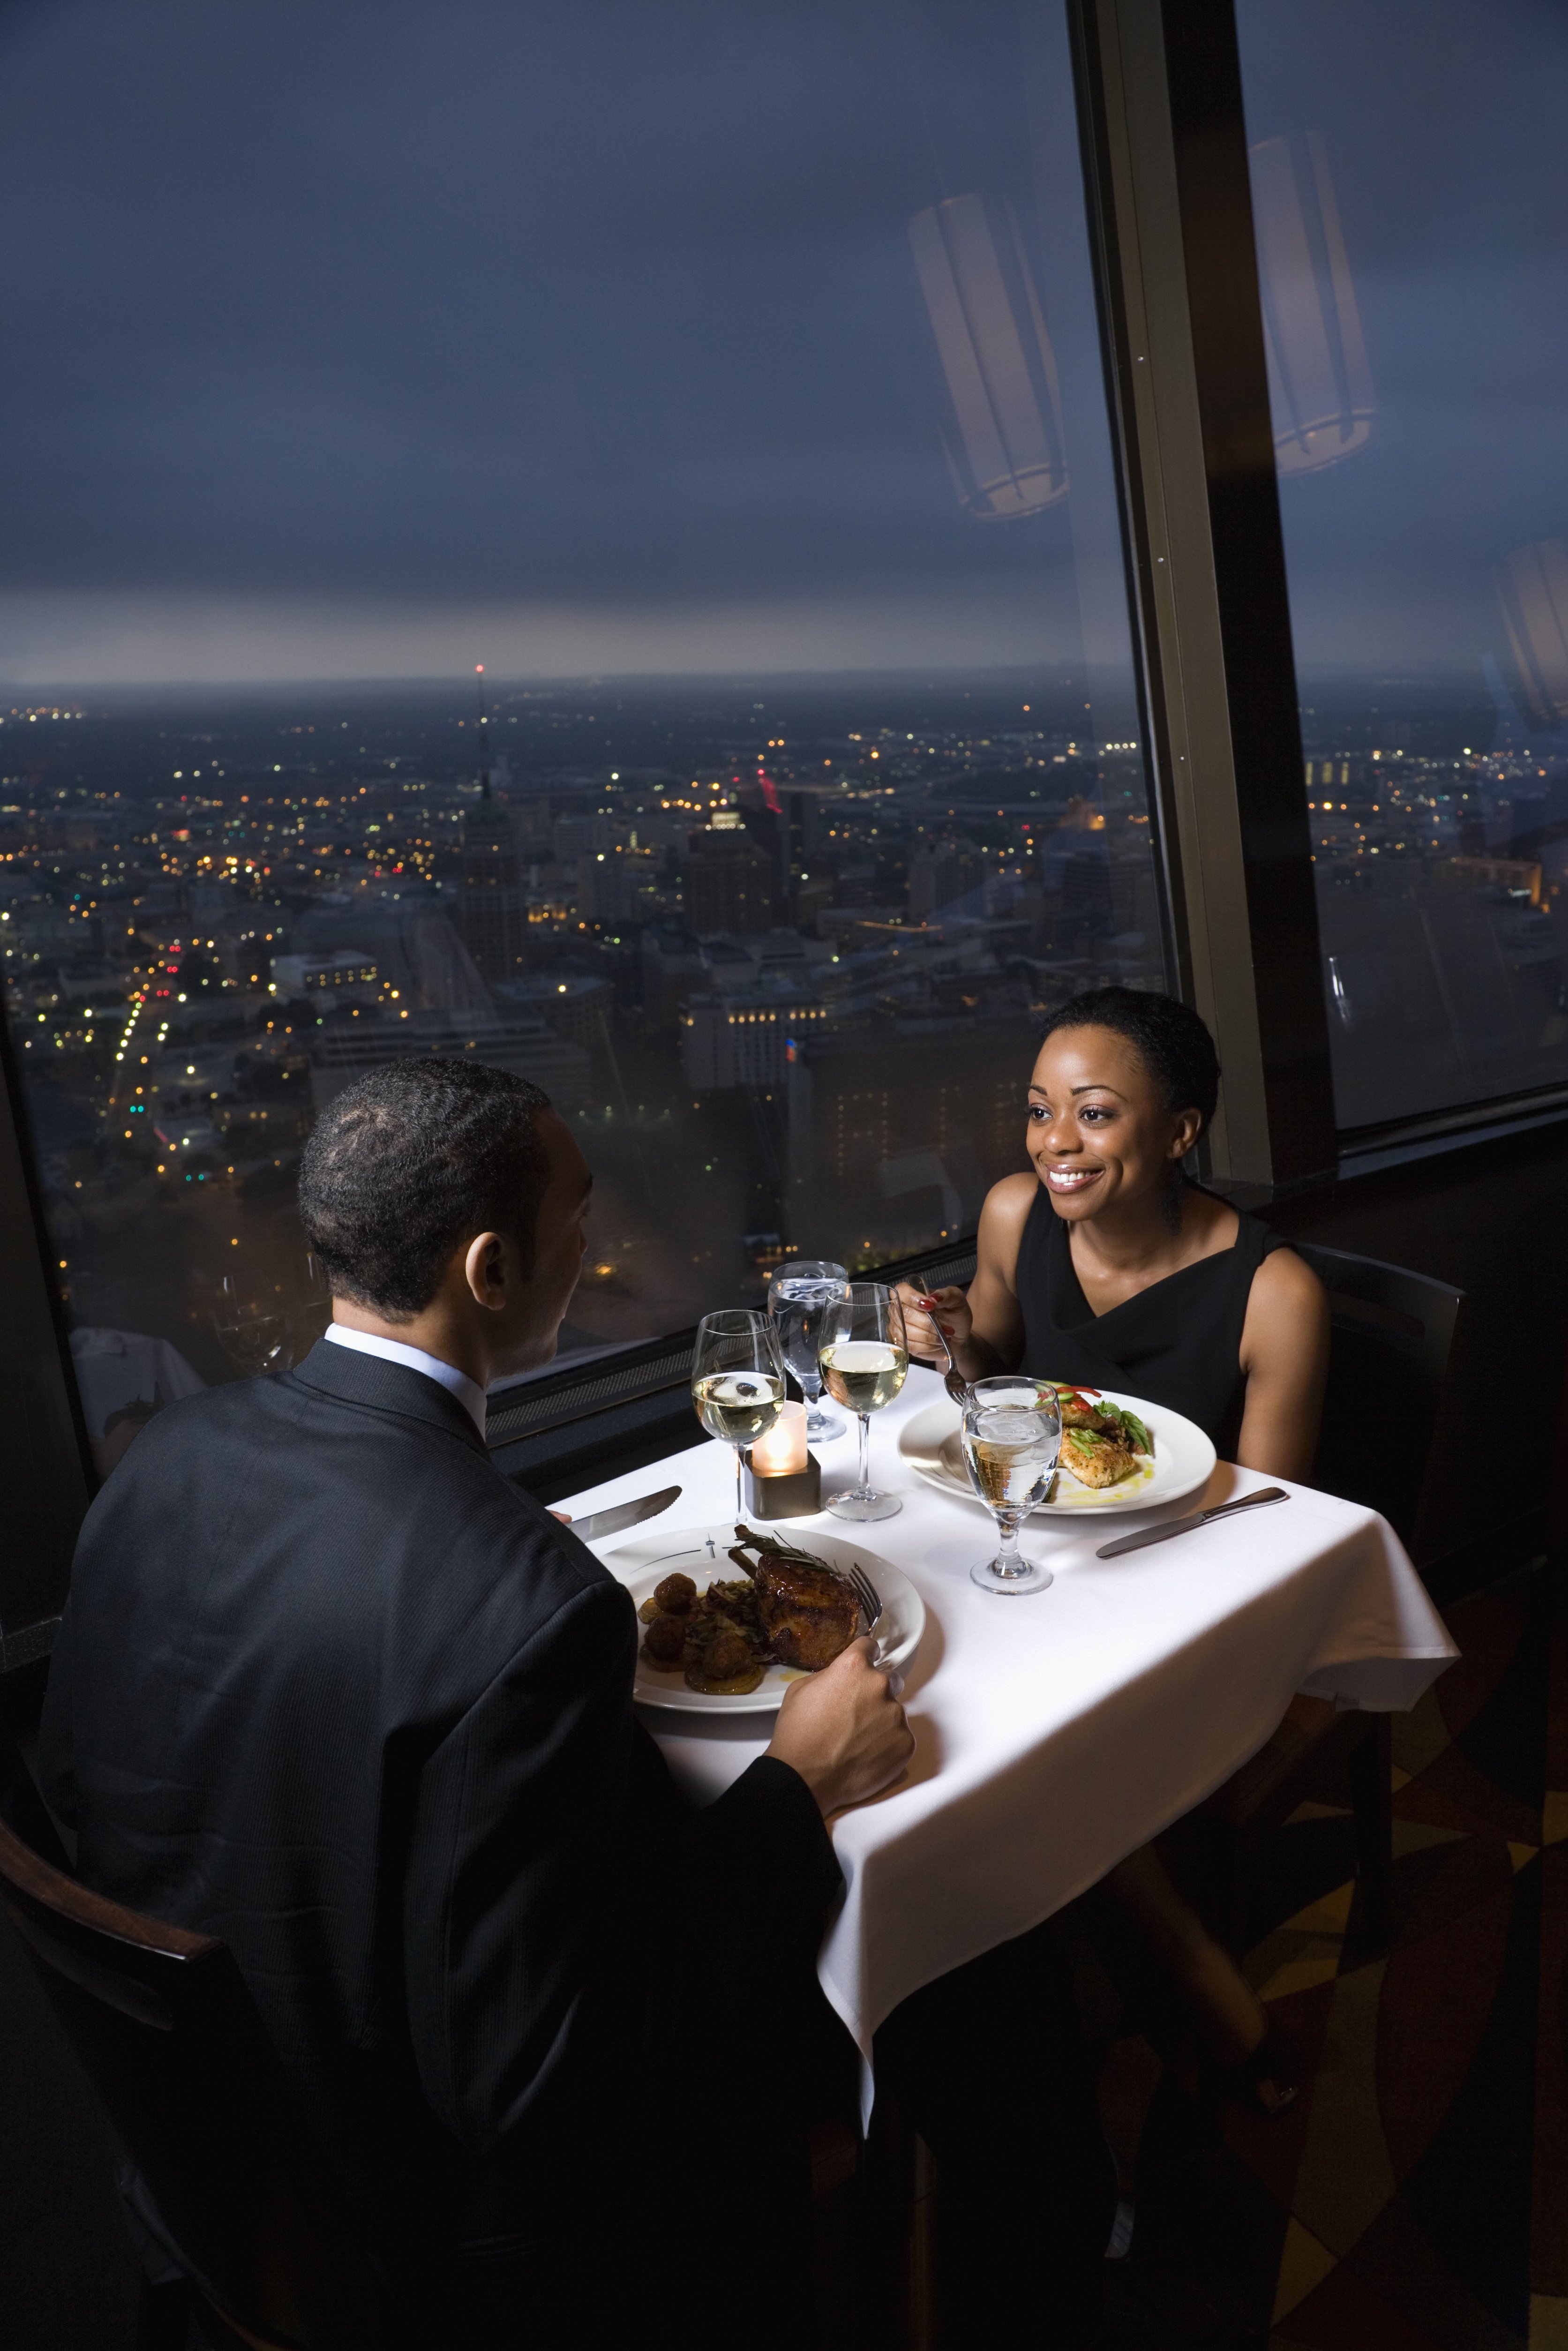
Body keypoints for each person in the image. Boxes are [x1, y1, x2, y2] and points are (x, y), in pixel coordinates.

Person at [38, 1059, 912, 2350]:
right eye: (579, 1217)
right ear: (492, 1271)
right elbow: (550, 2087)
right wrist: (801, 1783)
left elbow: (93, 1789)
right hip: (427, 2245)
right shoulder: (530, 1607)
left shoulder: (166, 1456)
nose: (595, 1245)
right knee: (898, 2037)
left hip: (198, 2168)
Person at [898, 986, 1330, 2115]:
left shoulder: (1272, 1293)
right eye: (1039, 1110)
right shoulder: (1010, 1215)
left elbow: (1267, 1531)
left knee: (1007, 1757)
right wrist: (950, 1342)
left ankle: (1185, 1978)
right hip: (1038, 1570)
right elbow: (992, 1360)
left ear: (1180, 1130)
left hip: (1188, 1602)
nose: (1053, 1143)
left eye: (1092, 1114)